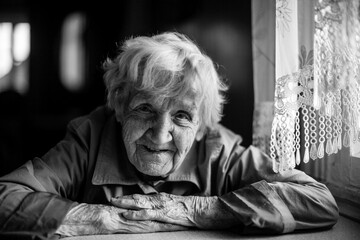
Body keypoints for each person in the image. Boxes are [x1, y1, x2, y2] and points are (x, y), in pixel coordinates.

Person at [0, 32, 338, 239]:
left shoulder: (218, 150)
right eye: (145, 108)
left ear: (202, 123)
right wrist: (104, 216)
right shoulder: (90, 138)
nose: (161, 134)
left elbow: (318, 201)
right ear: (120, 106)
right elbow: (5, 197)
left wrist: (195, 209)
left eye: (181, 115)